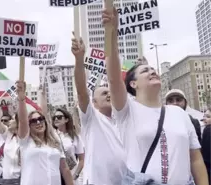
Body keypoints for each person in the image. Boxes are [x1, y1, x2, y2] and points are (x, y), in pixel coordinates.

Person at [102, 7, 208, 184]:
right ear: (133, 84)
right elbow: (113, 78)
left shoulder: (179, 114)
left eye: (153, 69)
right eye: (145, 70)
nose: (152, 71)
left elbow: (195, 158)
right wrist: (113, 32)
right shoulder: (127, 110)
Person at [71, 38, 126, 185]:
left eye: (109, 92)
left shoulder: (122, 120)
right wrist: (79, 59)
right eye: (103, 93)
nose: (109, 94)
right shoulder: (91, 118)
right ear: (93, 103)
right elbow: (82, 91)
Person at [16, 81, 74, 185]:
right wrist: (21, 99)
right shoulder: (26, 141)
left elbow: (65, 169)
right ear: (29, 125)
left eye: (40, 119)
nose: (38, 122)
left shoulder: (55, 142)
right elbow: (22, 120)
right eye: (33, 121)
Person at [0, 93, 21, 184]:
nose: (5, 122)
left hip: (18, 180)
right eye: (2, 120)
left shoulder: (25, 139)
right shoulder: (6, 135)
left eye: (8, 120)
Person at [52, 108, 85, 185]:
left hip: (71, 173)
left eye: (59, 117)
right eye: (54, 117)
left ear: (66, 119)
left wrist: (75, 175)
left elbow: (81, 160)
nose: (56, 119)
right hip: (56, 175)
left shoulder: (75, 137)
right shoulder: (52, 136)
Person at [201, 107, 211, 184]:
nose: (204, 118)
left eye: (208, 116)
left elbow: (206, 156)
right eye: (204, 116)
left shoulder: (208, 130)